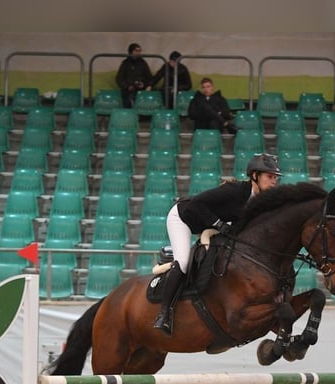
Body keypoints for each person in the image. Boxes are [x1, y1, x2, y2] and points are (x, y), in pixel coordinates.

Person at [153, 153, 283, 334]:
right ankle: (164, 314)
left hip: (206, 225)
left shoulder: (260, 202)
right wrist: (219, 224)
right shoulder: (235, 190)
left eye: (275, 178)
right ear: (254, 176)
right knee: (182, 262)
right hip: (182, 218)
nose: (274, 181)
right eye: (269, 177)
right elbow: (196, 204)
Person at [115, 42, 153, 109]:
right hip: (128, 90)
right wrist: (127, 86)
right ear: (131, 51)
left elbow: (149, 77)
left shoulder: (143, 63)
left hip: (141, 90)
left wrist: (147, 85)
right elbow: (119, 78)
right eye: (136, 51)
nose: (138, 53)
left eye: (139, 51)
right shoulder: (125, 63)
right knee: (127, 98)